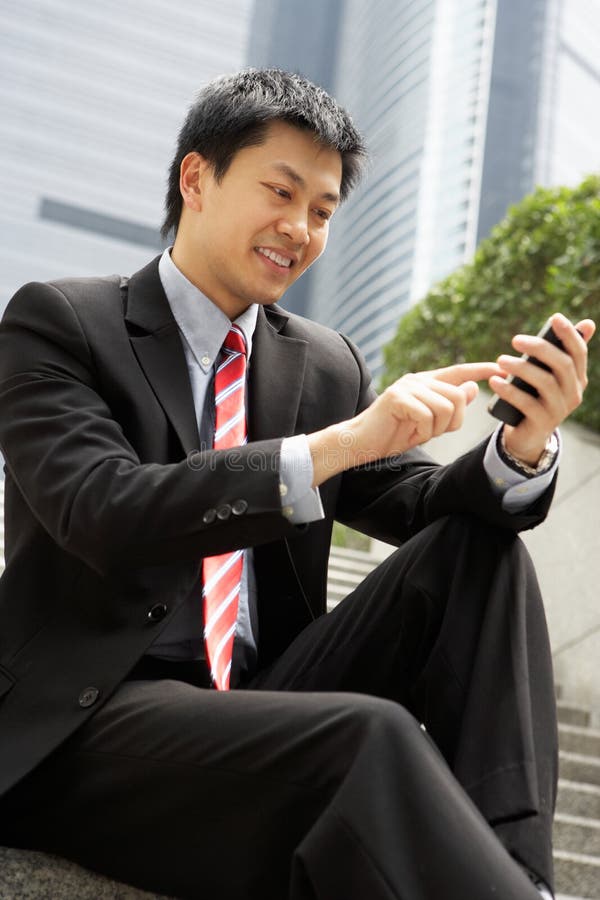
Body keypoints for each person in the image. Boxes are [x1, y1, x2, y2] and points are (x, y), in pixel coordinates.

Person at [0, 68, 594, 900]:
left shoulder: (324, 362)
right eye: (280, 193)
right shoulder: (60, 323)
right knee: (370, 735)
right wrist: (335, 446)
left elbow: (421, 504)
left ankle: (521, 883)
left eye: (321, 210)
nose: (300, 229)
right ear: (196, 178)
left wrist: (520, 448)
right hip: (91, 724)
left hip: (265, 707)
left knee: (478, 552)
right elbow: (103, 509)